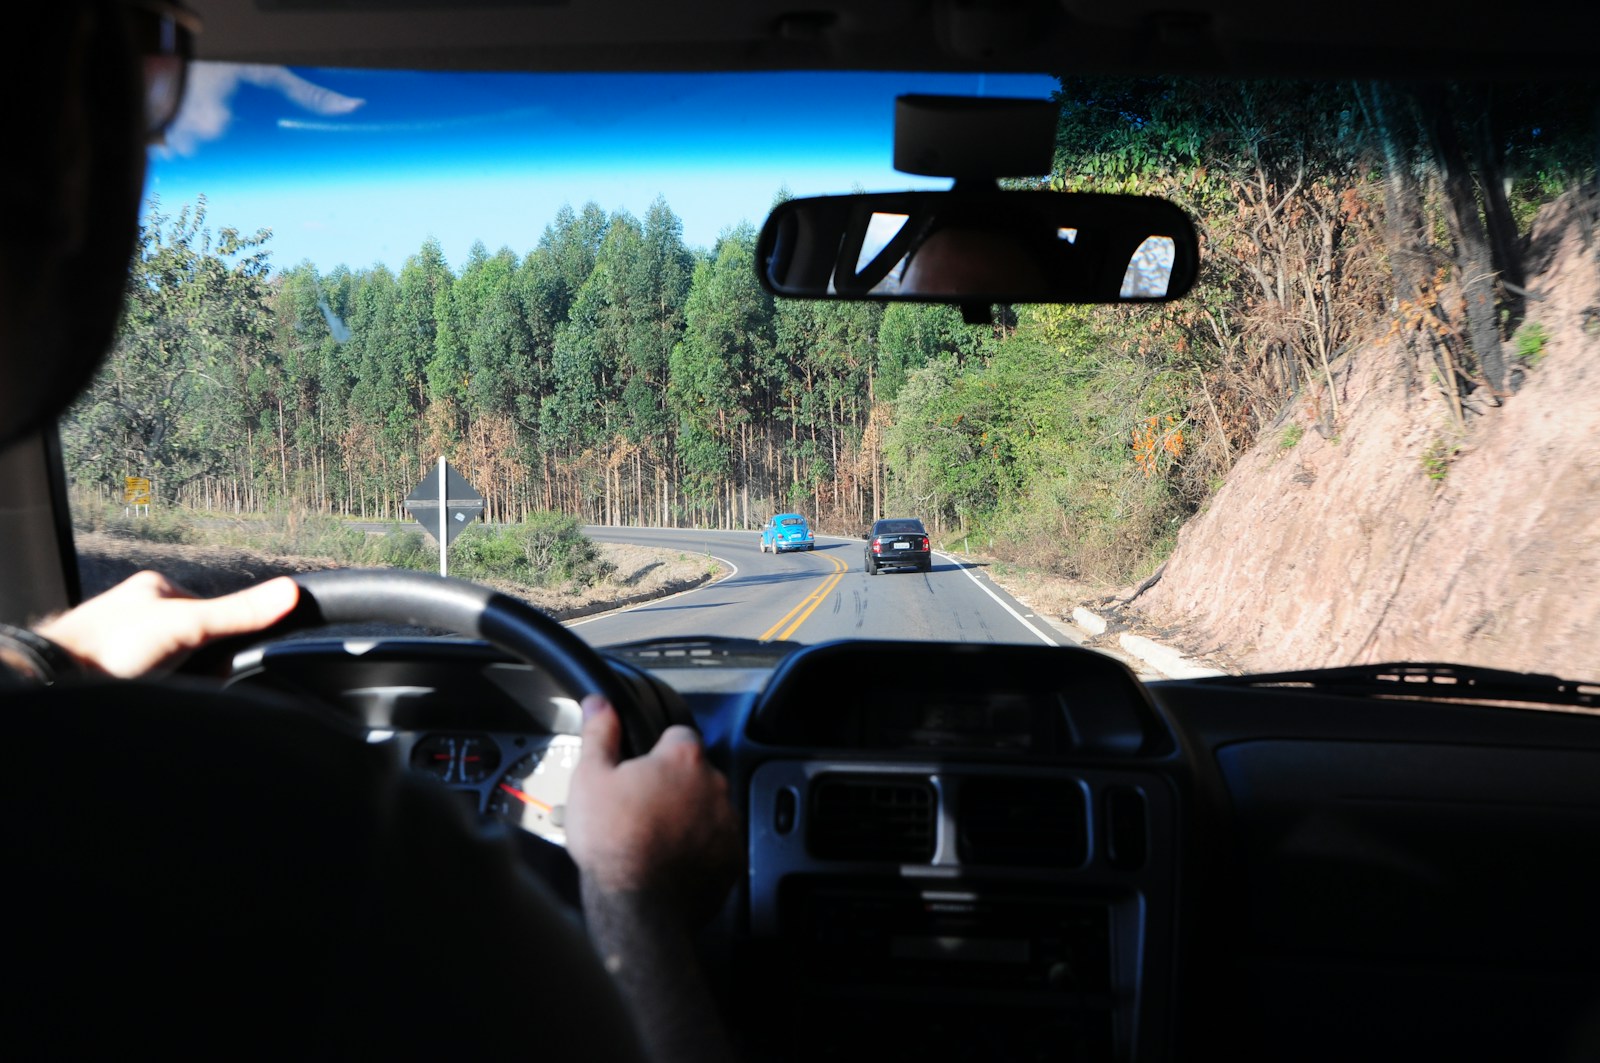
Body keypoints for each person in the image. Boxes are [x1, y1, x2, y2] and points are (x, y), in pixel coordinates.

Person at [0, 3, 740, 1059]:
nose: (154, 128)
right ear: (71, 159)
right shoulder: (343, 843)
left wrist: (41, 662)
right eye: (150, 76)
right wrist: (633, 893)